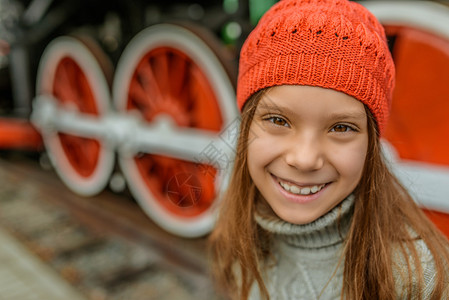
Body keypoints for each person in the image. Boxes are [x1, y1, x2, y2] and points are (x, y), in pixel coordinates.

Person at [208, 0, 449, 299]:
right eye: (278, 120)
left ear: (371, 145)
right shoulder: (237, 231)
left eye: (341, 128)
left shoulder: (420, 276)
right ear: (246, 128)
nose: (305, 159)